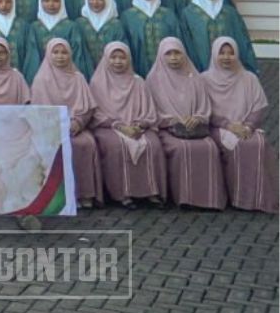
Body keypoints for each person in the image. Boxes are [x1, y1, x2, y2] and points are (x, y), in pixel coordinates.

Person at [144, 37, 227, 210]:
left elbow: (204, 106)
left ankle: (209, 198)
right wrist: (173, 119)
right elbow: (151, 110)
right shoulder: (153, 79)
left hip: (194, 127)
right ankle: (184, 198)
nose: (174, 58)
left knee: (209, 147)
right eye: (169, 54)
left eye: (177, 53)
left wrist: (197, 117)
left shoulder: (194, 76)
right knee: (181, 149)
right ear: (161, 56)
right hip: (167, 129)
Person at [201, 37, 279, 214]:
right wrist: (228, 125)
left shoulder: (249, 78)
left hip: (246, 127)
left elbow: (258, 107)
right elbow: (204, 110)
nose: (227, 57)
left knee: (257, 143)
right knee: (237, 146)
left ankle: (257, 197)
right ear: (214, 54)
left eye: (231, 53)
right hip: (217, 128)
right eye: (222, 53)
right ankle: (237, 197)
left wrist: (249, 127)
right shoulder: (204, 79)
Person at [89, 43, 168, 208]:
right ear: (106, 59)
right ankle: (123, 194)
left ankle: (152, 192)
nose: (118, 61)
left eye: (122, 57)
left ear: (129, 59)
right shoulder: (98, 82)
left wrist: (139, 125)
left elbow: (149, 111)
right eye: (113, 57)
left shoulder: (138, 81)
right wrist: (119, 126)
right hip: (109, 127)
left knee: (153, 144)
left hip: (136, 125)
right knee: (117, 146)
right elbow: (97, 114)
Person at [30, 38, 104, 209]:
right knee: (52, 146)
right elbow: (39, 111)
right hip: (50, 129)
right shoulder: (41, 79)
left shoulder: (78, 78)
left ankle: (85, 193)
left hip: (75, 128)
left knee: (86, 144)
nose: (60, 57)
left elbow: (87, 108)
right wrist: (56, 127)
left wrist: (78, 122)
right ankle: (60, 195)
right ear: (48, 55)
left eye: (64, 52)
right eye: (55, 52)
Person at [181, 0, 258, 73]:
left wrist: (249, 66)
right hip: (200, 70)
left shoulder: (230, 13)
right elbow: (186, 43)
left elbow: (242, 40)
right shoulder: (188, 14)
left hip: (230, 69)